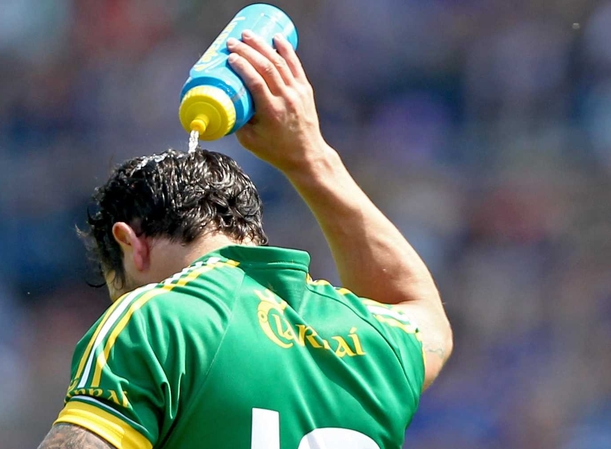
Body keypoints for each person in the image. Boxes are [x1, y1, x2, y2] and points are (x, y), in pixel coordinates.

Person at [37, 30, 452, 449]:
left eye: (117, 285)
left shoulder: (154, 320)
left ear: (130, 244)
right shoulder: (374, 340)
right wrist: (310, 156)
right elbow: (423, 314)